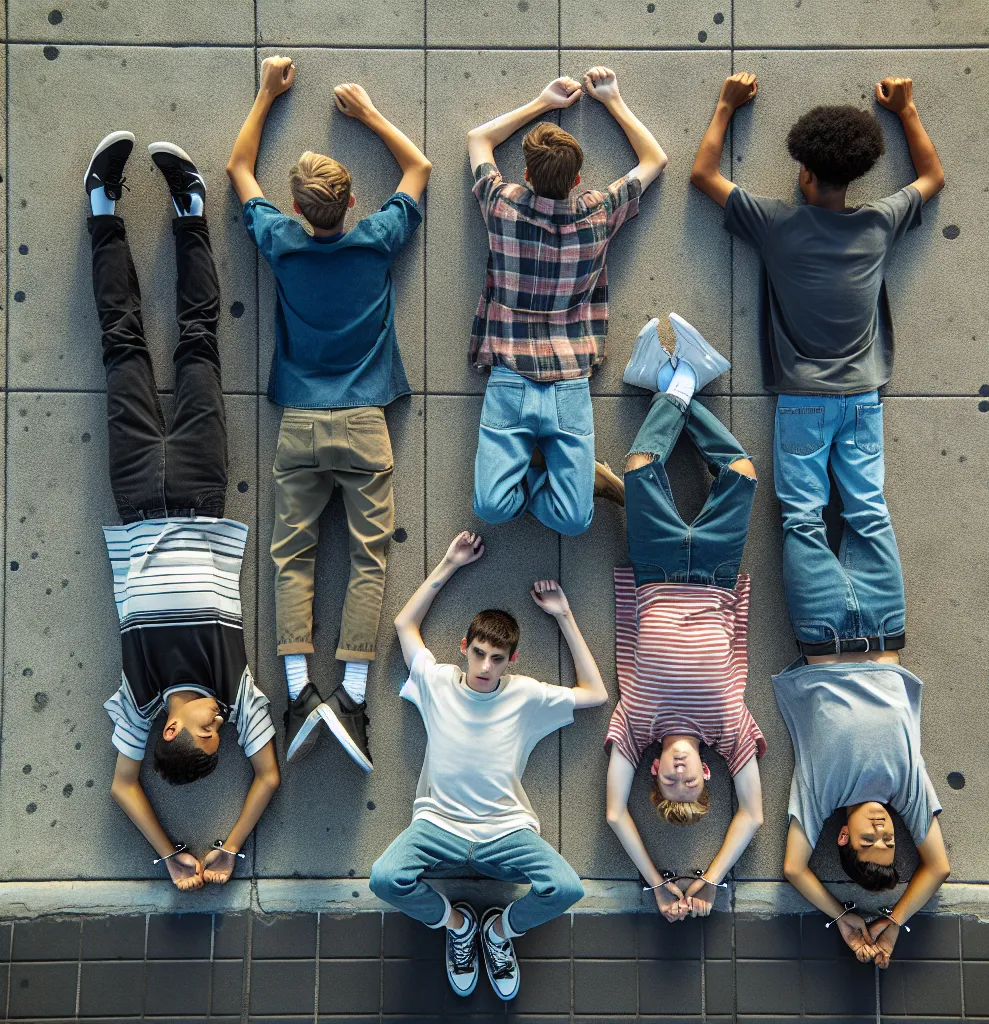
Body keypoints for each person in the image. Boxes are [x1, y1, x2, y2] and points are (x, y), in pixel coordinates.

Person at [84, 130, 280, 891]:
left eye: (206, 734)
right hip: (201, 490)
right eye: (221, 734)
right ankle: (190, 211)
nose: (220, 726)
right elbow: (267, 777)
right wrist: (226, 847)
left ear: (171, 729)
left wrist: (170, 855)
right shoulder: (235, 689)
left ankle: (103, 210)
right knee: (199, 345)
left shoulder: (140, 701)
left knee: (122, 347)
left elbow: (122, 785)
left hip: (136, 495)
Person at [691, 73, 945, 656]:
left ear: (804, 172)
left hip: (803, 399)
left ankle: (819, 638)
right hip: (862, 398)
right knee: (868, 510)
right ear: (855, 175)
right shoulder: (879, 222)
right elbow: (932, 177)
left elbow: (703, 174)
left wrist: (727, 105)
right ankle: (885, 637)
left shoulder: (777, 225)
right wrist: (906, 109)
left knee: (803, 516)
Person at [227, 56, 432, 769]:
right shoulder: (376, 239)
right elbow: (419, 168)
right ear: (351, 203)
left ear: (298, 207)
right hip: (366, 421)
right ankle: (350, 696)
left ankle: (297, 693)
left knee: (293, 555)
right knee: (368, 558)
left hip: (300, 423)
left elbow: (238, 168)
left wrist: (267, 93)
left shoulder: (281, 243)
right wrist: (367, 113)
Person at [370, 532, 607, 1001]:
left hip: (505, 830)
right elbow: (404, 624)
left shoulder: (526, 695)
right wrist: (450, 562)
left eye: (496, 659)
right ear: (464, 647)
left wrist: (564, 615)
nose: (484, 666)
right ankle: (459, 926)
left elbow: (596, 694)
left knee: (565, 888)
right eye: (478, 653)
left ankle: (497, 933)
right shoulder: (437, 682)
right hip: (439, 825)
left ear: (510, 661)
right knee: (384, 878)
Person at [605, 316, 765, 922]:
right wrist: (710, 882)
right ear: (706, 772)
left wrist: (657, 884)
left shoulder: (635, 724)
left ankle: (675, 384)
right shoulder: (729, 730)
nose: (679, 775)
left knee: (641, 467)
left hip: (656, 571)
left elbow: (615, 814)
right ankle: (680, 383)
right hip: (718, 576)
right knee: (743, 474)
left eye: (670, 782)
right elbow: (752, 815)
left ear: (654, 769)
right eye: (691, 781)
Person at [467, 66, 668, 537]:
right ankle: (559, 475)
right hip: (519, 377)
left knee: (573, 519)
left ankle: (562, 476)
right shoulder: (598, 211)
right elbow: (655, 159)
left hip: (565, 384)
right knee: (492, 506)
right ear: (577, 178)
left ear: (525, 175)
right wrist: (611, 99)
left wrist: (543, 103)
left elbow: (478, 139)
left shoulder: (501, 203)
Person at [776, 650, 950, 968]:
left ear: (844, 836)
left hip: (826, 647)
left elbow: (794, 869)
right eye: (889, 840)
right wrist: (894, 922)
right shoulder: (907, 792)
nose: (881, 829)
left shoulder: (820, 796)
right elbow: (938, 868)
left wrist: (841, 916)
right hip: (882, 643)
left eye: (868, 840)